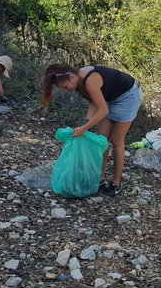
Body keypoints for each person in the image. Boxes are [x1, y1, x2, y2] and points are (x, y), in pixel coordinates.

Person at [41, 64, 142, 197]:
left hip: (128, 96)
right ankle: (99, 179)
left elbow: (103, 110)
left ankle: (116, 184)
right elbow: (93, 103)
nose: (66, 90)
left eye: (65, 87)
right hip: (110, 98)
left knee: (117, 141)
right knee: (102, 140)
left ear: (71, 77)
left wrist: (84, 129)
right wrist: (84, 125)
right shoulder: (79, 83)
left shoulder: (90, 80)